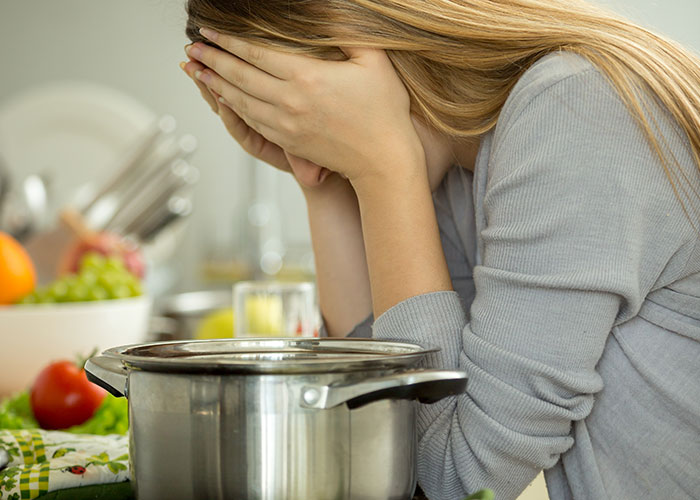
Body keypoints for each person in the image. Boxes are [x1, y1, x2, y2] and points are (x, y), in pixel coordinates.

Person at [179, 0, 700, 498]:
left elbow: (460, 479)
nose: (311, 164)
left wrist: (382, 168)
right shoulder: (464, 164)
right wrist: (327, 189)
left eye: (307, 122)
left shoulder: (573, 107)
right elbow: (396, 424)